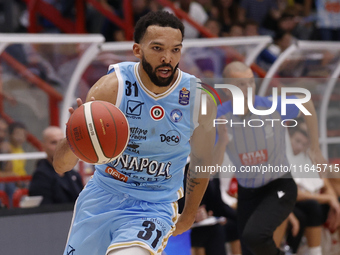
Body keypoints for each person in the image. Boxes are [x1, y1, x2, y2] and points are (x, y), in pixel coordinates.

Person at [53, 11, 216, 255]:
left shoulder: (198, 99)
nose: (167, 58)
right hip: (102, 197)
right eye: (158, 48)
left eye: (175, 50)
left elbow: (202, 162)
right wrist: (74, 137)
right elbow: (60, 166)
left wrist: (188, 214)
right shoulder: (111, 89)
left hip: (154, 206)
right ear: (138, 50)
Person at [213, 61, 326, 255]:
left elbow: (305, 102)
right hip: (247, 191)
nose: (248, 88)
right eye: (241, 85)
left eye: (251, 82)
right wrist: (222, 141)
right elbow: (213, 165)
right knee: (250, 248)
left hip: (279, 186)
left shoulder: (270, 107)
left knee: (254, 236)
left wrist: (315, 148)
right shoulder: (219, 117)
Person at [29, 126, 83, 205]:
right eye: (53, 142)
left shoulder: (74, 174)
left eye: (61, 142)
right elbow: (44, 209)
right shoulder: (40, 176)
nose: (59, 147)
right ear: (43, 146)